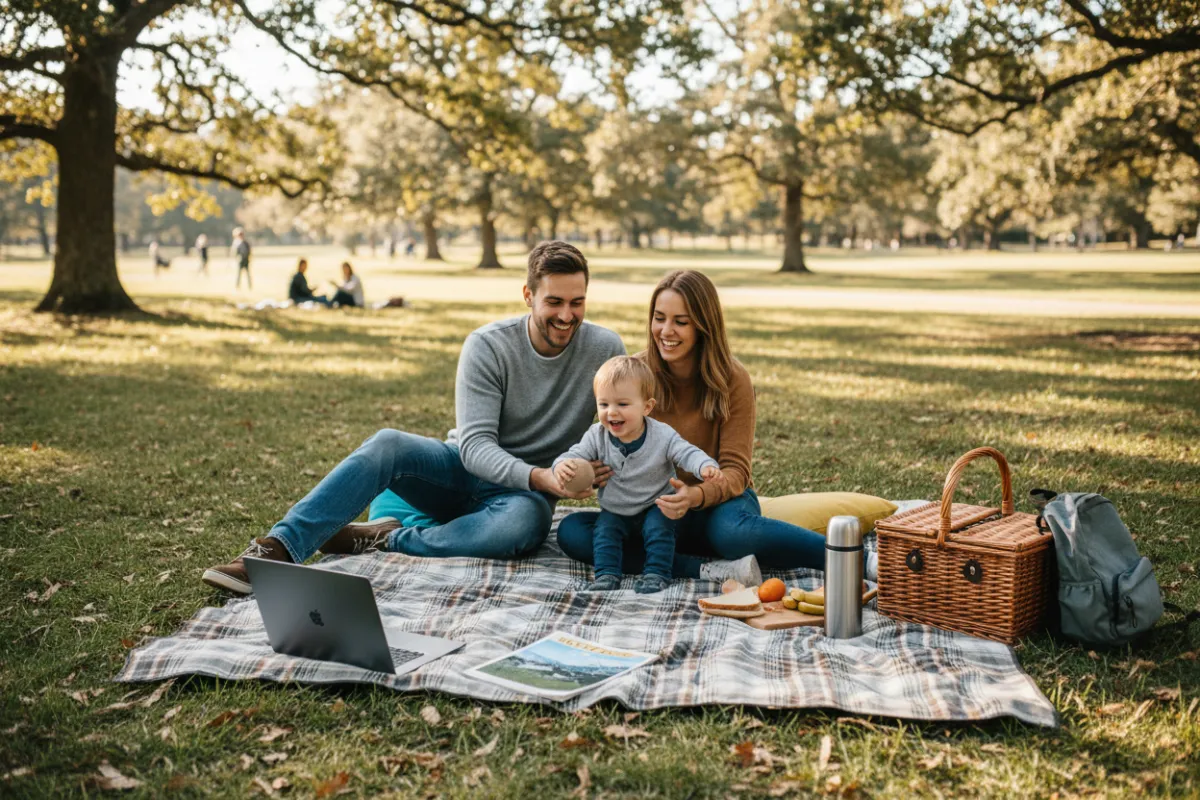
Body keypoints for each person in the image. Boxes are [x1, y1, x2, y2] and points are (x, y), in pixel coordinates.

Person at [202, 241, 627, 594]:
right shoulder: (489, 345)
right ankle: (277, 549)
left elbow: (623, 419)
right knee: (388, 442)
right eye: (554, 301)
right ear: (528, 295)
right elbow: (476, 447)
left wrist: (598, 465)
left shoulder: (605, 348)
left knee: (526, 525)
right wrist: (543, 477)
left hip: (518, 500)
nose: (567, 315)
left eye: (577, 302)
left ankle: (389, 538)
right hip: (460, 470)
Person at [556, 269, 854, 581]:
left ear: (703, 326)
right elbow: (605, 443)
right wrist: (588, 472)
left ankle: (850, 557)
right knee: (574, 532)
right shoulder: (635, 374)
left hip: (716, 507)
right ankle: (707, 569)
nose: (666, 331)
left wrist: (695, 496)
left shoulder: (732, 378)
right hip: (652, 511)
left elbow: (736, 472)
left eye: (680, 322)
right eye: (659, 318)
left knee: (733, 533)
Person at [553, 356, 726, 594]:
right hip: (616, 508)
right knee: (605, 534)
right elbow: (575, 455)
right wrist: (562, 465)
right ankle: (607, 575)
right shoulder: (597, 435)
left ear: (647, 407)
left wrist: (704, 466)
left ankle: (656, 573)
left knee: (659, 530)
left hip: (655, 503)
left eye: (622, 404)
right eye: (604, 405)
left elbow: (686, 452)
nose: (611, 412)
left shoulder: (662, 435)